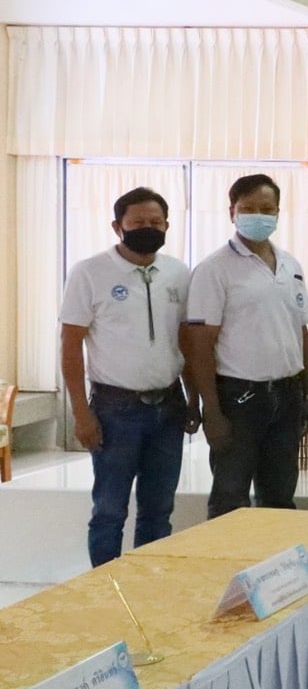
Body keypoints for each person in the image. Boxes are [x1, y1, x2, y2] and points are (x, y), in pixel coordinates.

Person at [59, 187, 198, 567]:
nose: (147, 228)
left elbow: (185, 341)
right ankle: (107, 588)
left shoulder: (178, 273)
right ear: (117, 226)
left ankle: (146, 587)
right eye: (137, 222)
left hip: (168, 406)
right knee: (109, 509)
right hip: (114, 409)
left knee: (159, 509)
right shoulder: (89, 272)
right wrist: (81, 413)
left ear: (167, 225)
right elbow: (70, 346)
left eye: (156, 222)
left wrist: (193, 399)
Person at [186, 174, 308, 518]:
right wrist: (211, 410)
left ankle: (275, 556)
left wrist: (307, 393)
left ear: (278, 212)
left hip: (286, 395)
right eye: (249, 208)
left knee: (280, 498)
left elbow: (300, 331)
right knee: (231, 498)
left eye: (267, 209)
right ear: (232, 212)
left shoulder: (291, 265)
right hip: (238, 399)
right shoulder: (214, 269)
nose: (259, 216)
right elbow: (199, 346)